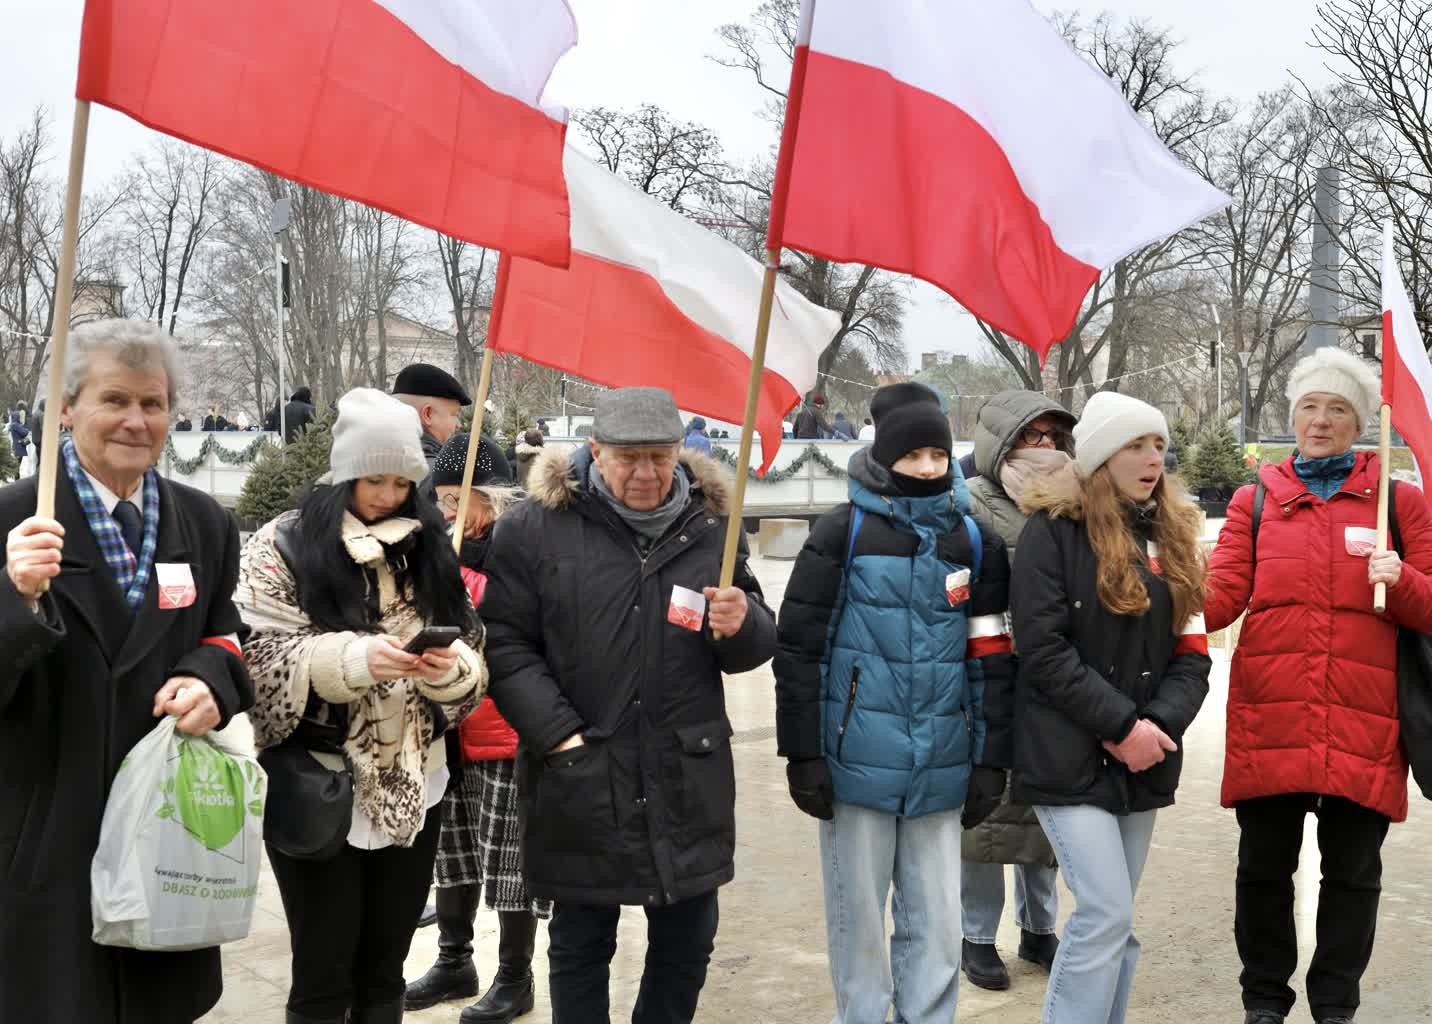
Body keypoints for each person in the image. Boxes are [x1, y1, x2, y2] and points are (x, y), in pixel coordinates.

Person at [481, 387, 777, 1024]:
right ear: (594, 452)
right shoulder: (533, 527)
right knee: (582, 942)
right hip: (581, 769)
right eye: (628, 459)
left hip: (685, 771)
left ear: (679, 453)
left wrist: (743, 622)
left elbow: (750, 645)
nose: (646, 474)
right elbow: (503, 643)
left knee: (688, 941)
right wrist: (559, 737)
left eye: (660, 457)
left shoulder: (711, 527)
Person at [0, 319, 255, 1023]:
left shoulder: (203, 521)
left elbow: (225, 632)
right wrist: (14, 597)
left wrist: (211, 679)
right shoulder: (14, 519)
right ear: (67, 407)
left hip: (166, 838)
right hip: (45, 837)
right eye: (115, 400)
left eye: (154, 403)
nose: (136, 422)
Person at [235, 387, 488, 1024]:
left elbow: (473, 645)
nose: (387, 496)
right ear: (345, 472)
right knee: (322, 973)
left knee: (385, 967)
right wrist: (350, 661)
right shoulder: (284, 543)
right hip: (319, 781)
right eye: (374, 479)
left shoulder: (430, 543)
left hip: (417, 781)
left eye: (403, 483)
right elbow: (257, 658)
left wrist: (447, 668)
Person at [773, 381, 1015, 1024]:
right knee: (858, 918)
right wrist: (803, 754)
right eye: (915, 456)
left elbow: (990, 656)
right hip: (854, 759)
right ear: (887, 457)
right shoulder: (840, 531)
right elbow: (799, 650)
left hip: (944, 757)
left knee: (935, 918)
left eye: (938, 454)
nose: (930, 468)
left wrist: (992, 757)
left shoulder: (972, 539)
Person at [1204, 348, 1432, 1024]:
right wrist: (1159, 603)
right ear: (1292, 414)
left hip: (1366, 718)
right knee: (1263, 872)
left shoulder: (1402, 502)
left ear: (1360, 421)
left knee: (1354, 876)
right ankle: (1264, 1001)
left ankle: (1335, 1005)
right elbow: (1220, 598)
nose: (1321, 420)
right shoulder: (1254, 501)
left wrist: (1405, 580)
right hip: (1272, 715)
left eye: (1337, 408)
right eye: (1310, 405)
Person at [992, 391, 1210, 1024]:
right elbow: (1043, 650)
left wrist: (1157, 727)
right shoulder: (1051, 533)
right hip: (1066, 758)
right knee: (1105, 912)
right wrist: (1121, 725)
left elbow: (1192, 654)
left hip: (1144, 760)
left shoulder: (1173, 537)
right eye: (1135, 445)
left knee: (1119, 923)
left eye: (1159, 446)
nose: (1151, 459)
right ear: (1100, 456)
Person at [406, 433, 549, 1024]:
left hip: (502, 729)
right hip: (448, 727)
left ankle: (515, 976)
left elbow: (523, 623)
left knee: (507, 860)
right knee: (453, 850)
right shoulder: (435, 549)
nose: (443, 511)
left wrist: (466, 587)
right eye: (438, 499)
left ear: (487, 499)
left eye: (454, 498)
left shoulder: (520, 547)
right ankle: (453, 959)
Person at [959, 391, 1077, 991]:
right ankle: (976, 935)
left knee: (1047, 816)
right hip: (987, 679)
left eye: (1056, 437)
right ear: (1002, 442)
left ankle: (1039, 928)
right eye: (1034, 436)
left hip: (1056, 681)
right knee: (984, 820)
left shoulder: (1072, 500)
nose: (1048, 448)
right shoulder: (969, 504)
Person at [393, 363, 472, 468]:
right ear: (428, 414)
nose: (459, 424)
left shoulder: (373, 459)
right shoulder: (440, 477)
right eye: (454, 414)